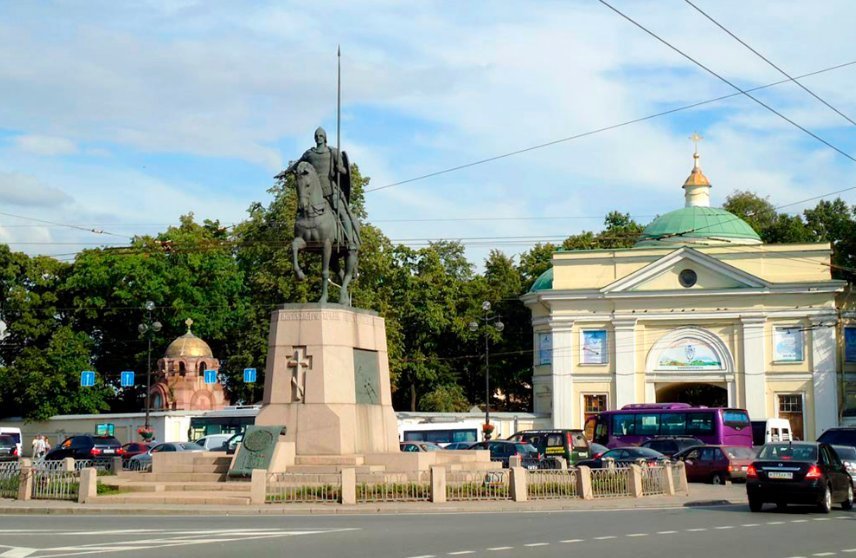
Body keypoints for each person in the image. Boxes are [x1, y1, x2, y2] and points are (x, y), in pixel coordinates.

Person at [277, 127, 361, 250]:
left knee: (343, 213)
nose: (318, 138)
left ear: (325, 137)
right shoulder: (309, 154)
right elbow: (296, 164)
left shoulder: (333, 152)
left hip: (331, 190)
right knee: (302, 212)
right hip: (314, 192)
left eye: (321, 136)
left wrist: (339, 168)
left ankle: (350, 240)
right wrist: (285, 172)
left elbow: (344, 171)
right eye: (316, 136)